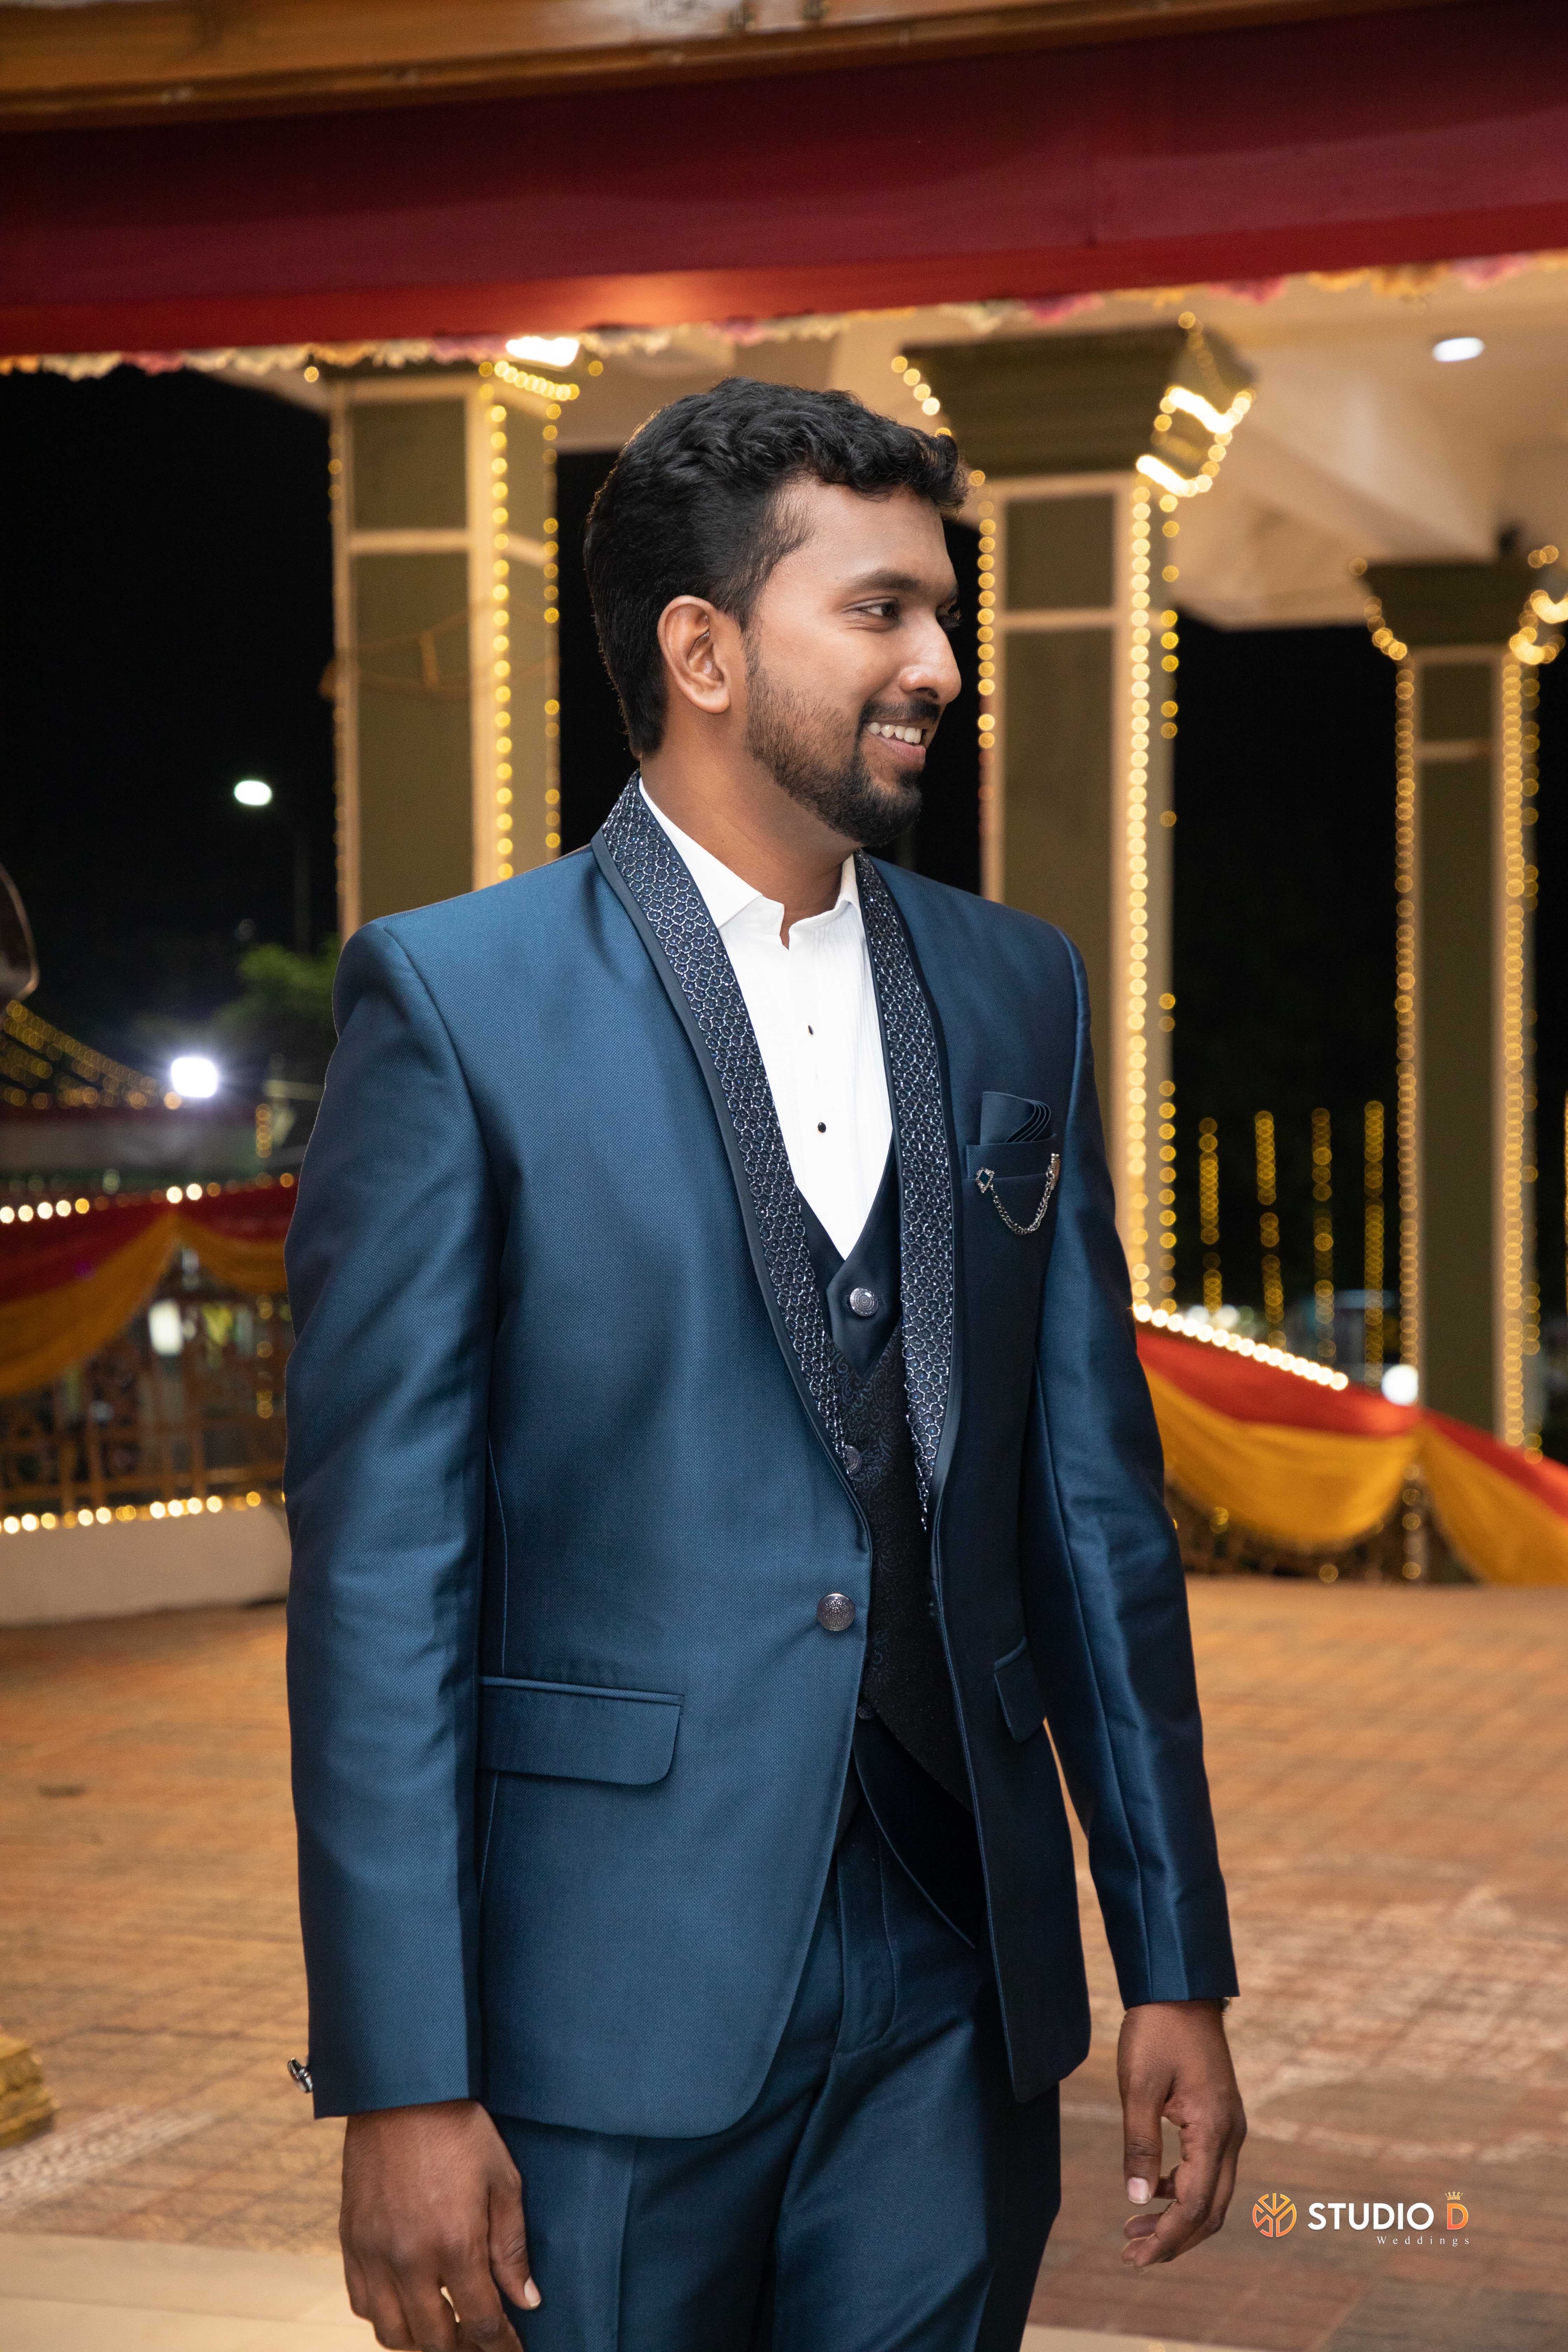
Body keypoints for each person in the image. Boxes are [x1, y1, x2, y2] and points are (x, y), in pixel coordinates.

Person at [284, 376, 1245, 2352]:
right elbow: (384, 1579)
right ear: (703, 652)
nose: (942, 666)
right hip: (599, 2006)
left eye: (944, 612)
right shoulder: (457, 1002)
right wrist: (402, 2075)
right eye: (881, 610)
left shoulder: (1019, 986)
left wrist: (1175, 1956)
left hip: (956, 1980)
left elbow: (1094, 1517)